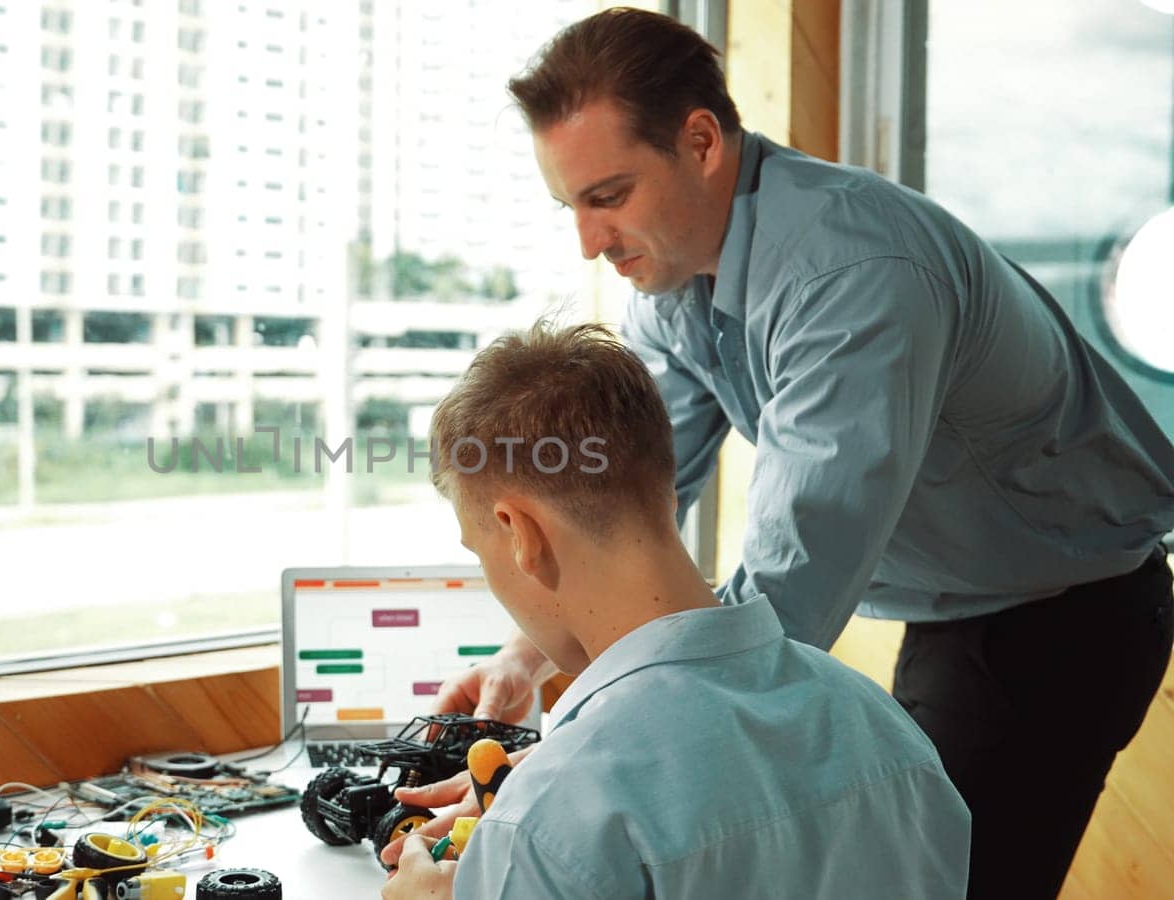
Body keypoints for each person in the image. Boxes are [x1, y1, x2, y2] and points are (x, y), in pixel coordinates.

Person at [381, 9, 1174, 899]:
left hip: (1066, 618)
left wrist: (560, 786)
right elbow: (614, 501)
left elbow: (791, 583)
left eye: (609, 196)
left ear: (703, 141)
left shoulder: (852, 275)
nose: (589, 243)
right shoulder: (673, 280)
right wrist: (525, 658)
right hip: (951, 610)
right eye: (571, 207)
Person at [379, 320, 970, 900]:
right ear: (659, 484)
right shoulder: (890, 733)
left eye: (479, 551)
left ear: (519, 534)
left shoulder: (548, 819)